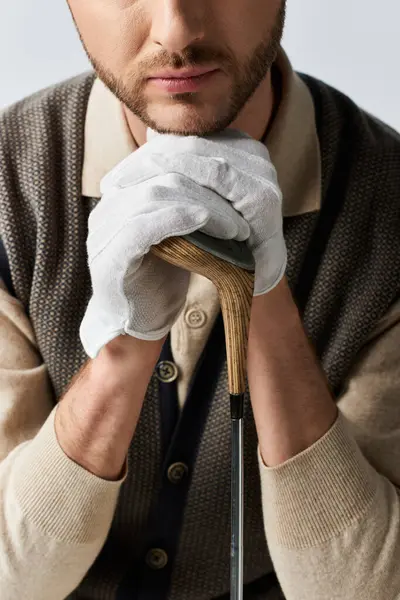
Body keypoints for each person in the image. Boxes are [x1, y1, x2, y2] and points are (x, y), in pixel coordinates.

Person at [0, 0, 399, 598]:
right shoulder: (9, 184)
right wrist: (125, 343)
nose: (176, 31)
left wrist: (261, 289)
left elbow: (363, 586)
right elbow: (14, 578)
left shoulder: (388, 200)